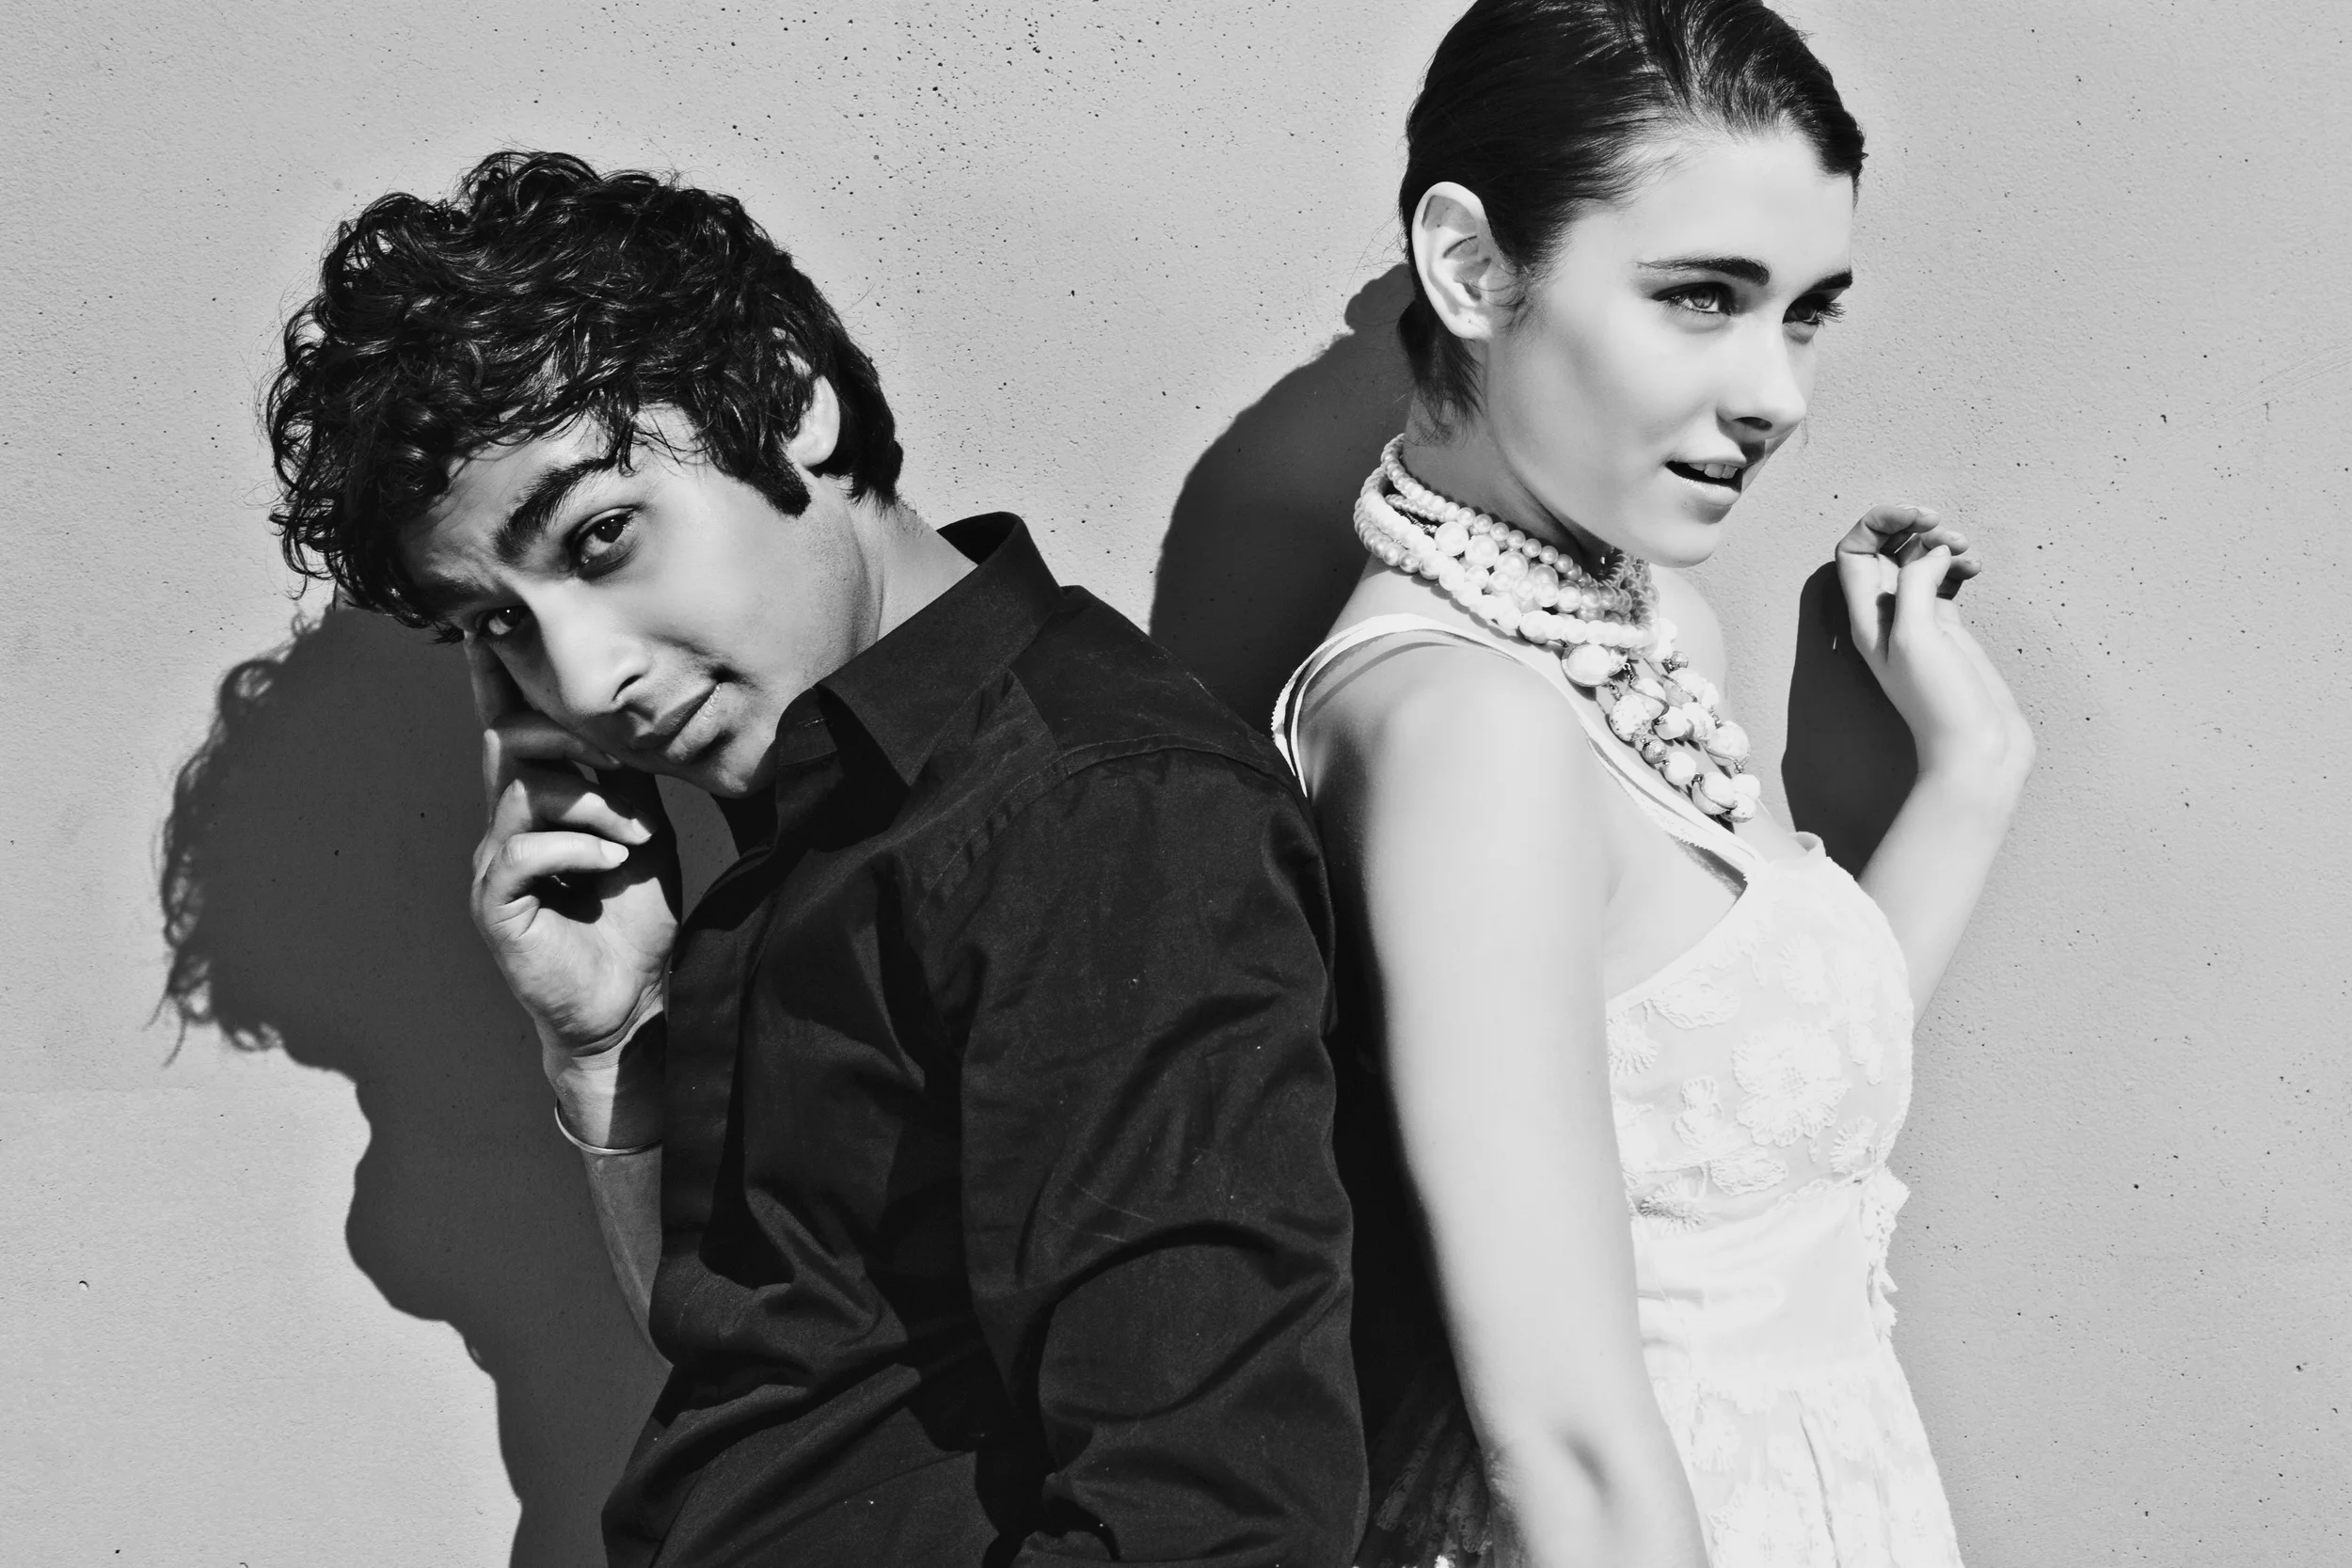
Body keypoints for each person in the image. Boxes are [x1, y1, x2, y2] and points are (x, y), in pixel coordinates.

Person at [263, 150, 1367, 1566]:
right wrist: (607, 1047)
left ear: (792, 399)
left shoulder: (1101, 820)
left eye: (601, 538)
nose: (583, 680)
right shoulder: (833, 808)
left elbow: (1211, 1529)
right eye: (497, 625)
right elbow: (781, 1383)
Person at [1272, 3, 2035, 1564]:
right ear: (1471, 268)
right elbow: (1561, 1429)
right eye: (1702, 297)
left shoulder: (1653, 628)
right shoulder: (1464, 727)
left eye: (1803, 315)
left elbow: (1765, 1098)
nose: (1781, 396)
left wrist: (1974, 770)